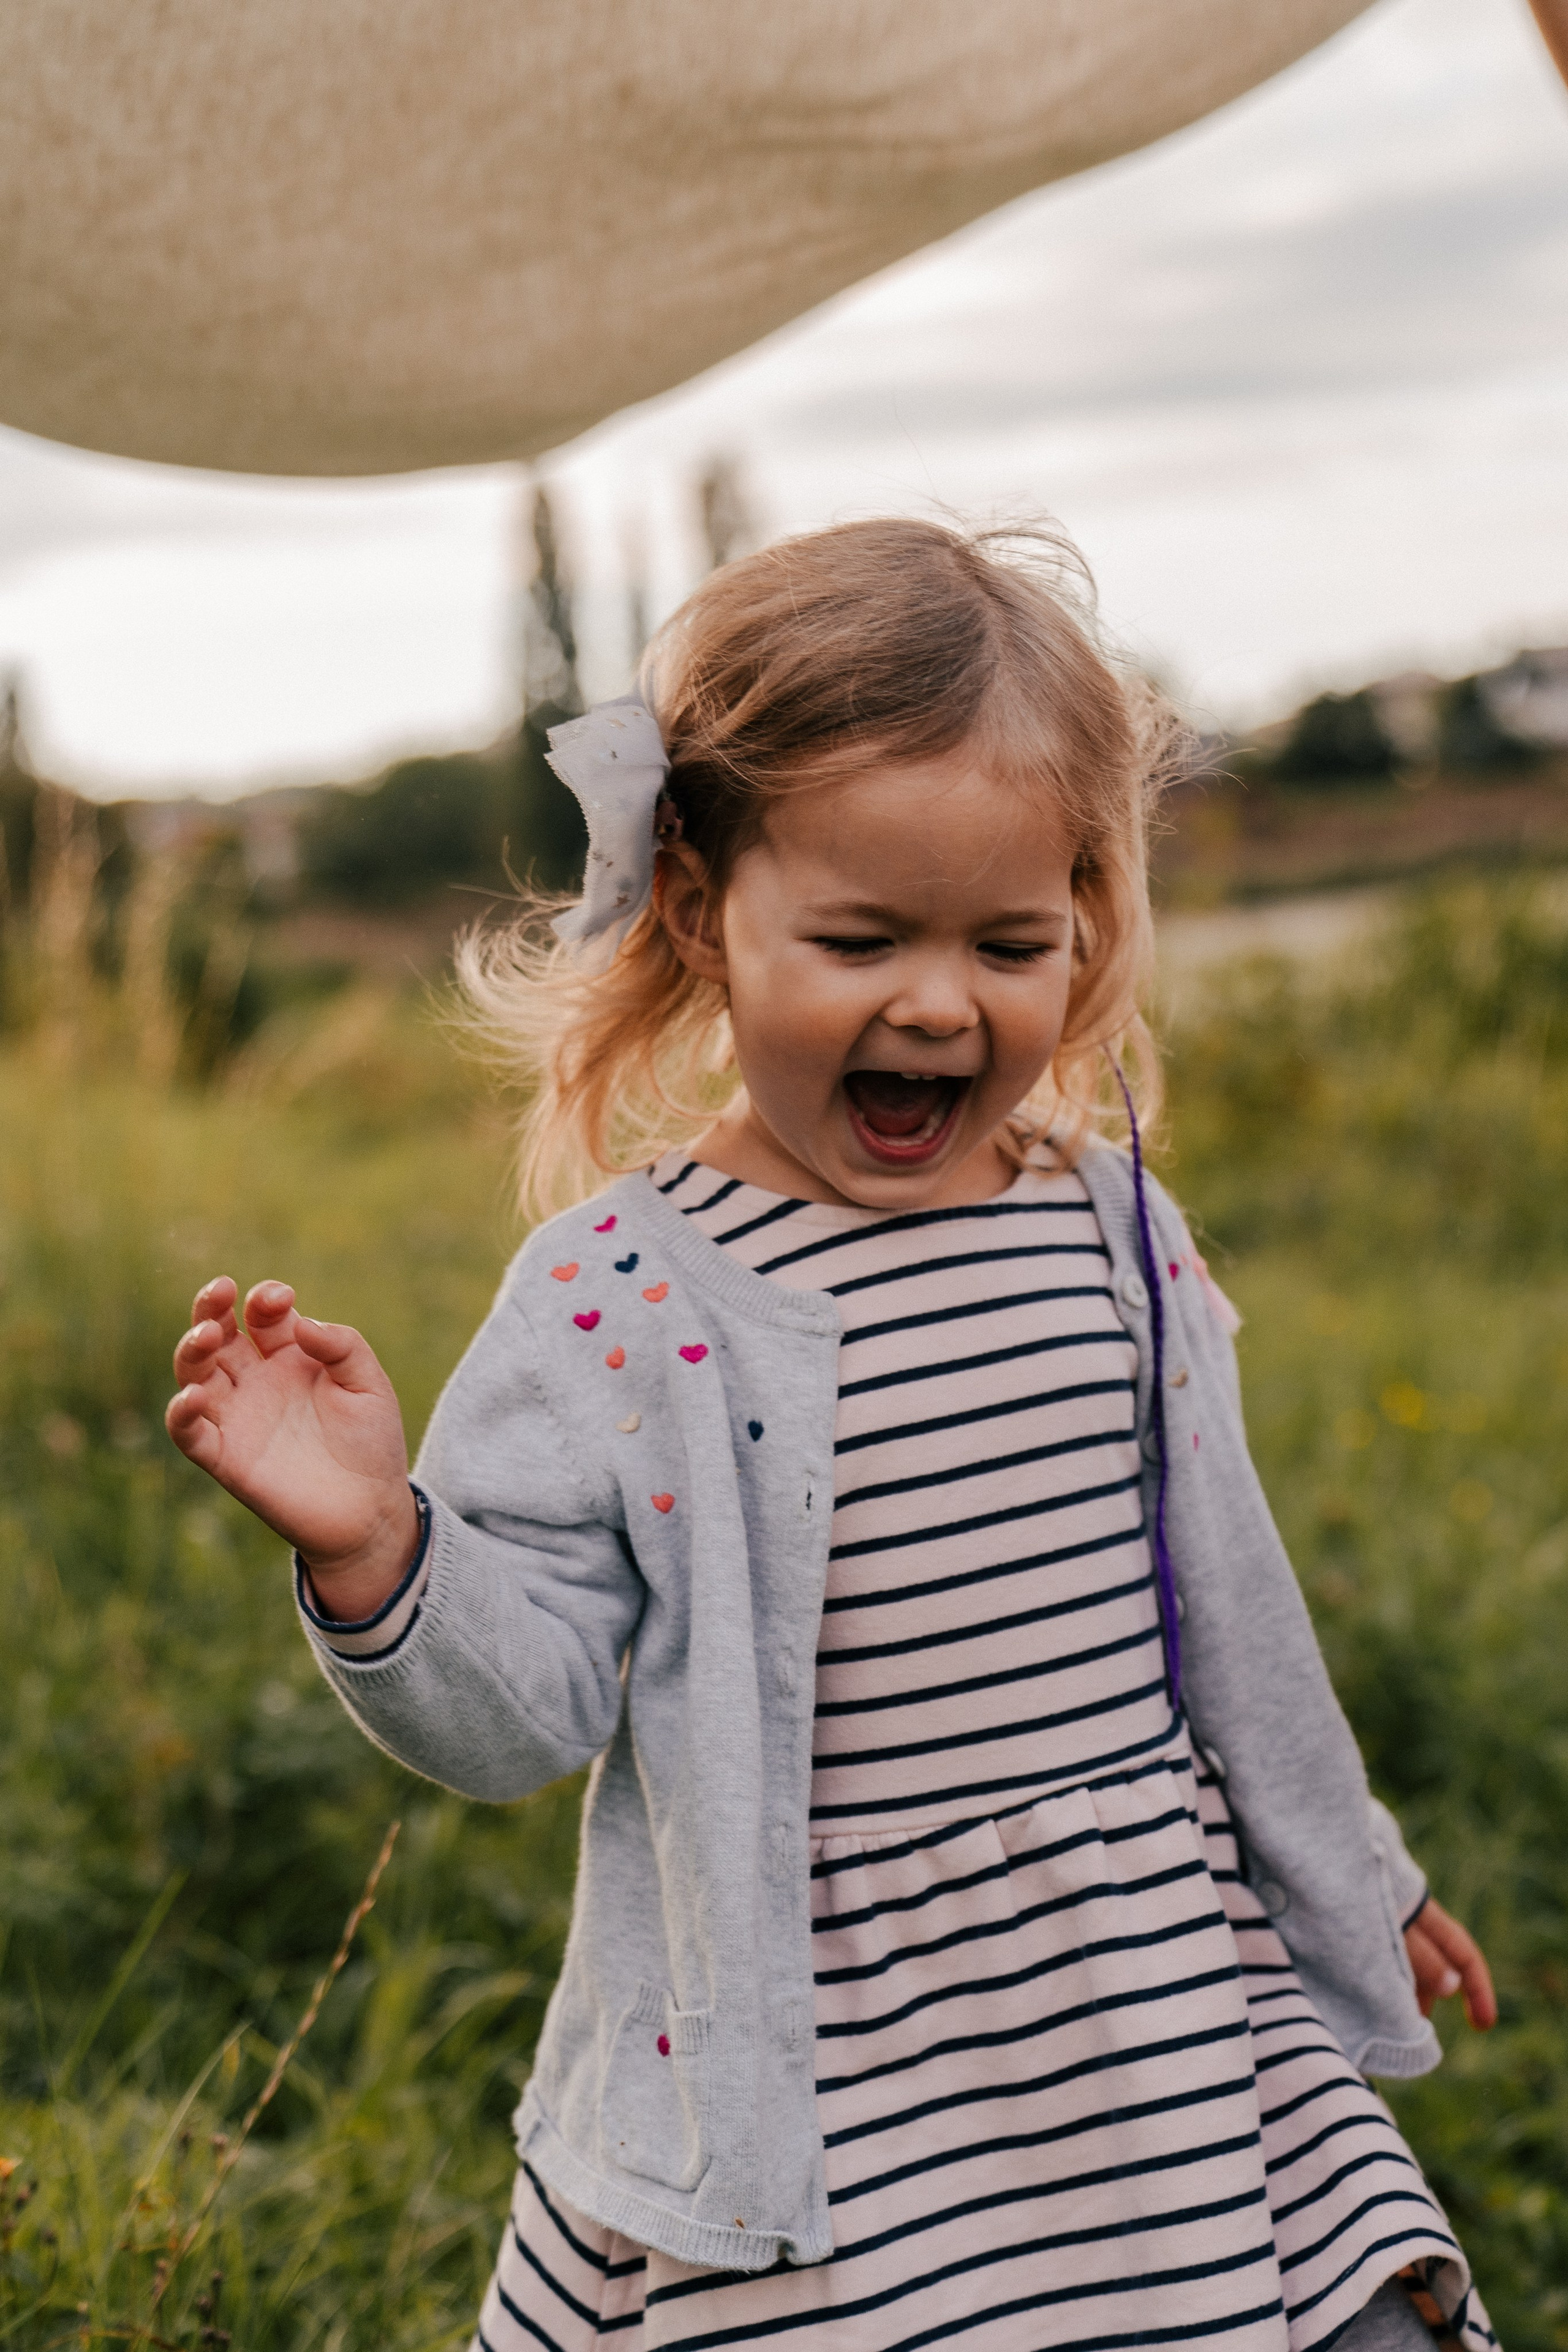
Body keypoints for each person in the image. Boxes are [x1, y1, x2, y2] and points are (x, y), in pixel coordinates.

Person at [166, 519, 1500, 2352]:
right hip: (836, 2060)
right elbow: (522, 1710)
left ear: (1088, 924)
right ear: (709, 912)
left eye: (1010, 941)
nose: (941, 1001)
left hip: (1148, 2012)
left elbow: (1240, 1615)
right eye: (863, 937)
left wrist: (1351, 1868)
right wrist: (381, 1549)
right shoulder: (624, 1294)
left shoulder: (1112, 1229)